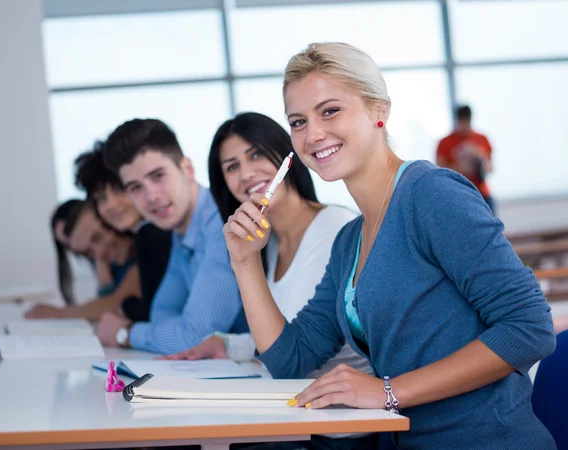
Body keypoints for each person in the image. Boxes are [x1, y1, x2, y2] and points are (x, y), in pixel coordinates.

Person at [222, 43, 556, 449]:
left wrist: (387, 391)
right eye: (298, 121)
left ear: (379, 110)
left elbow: (529, 328)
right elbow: (289, 358)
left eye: (329, 111)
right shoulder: (349, 241)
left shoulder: (430, 195)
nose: (312, 134)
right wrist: (244, 262)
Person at [160, 112, 370, 378]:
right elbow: (283, 336)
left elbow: (302, 346)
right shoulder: (265, 243)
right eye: (232, 167)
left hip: (341, 406)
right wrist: (227, 344)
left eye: (256, 154)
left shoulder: (337, 228)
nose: (247, 173)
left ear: (286, 156)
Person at [98, 118, 247, 353]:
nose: (151, 196)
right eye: (136, 187)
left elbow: (195, 337)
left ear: (187, 169)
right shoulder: (181, 231)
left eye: (158, 176)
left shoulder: (222, 223)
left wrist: (125, 333)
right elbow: (162, 314)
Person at [73, 143, 173, 322]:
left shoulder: (155, 232)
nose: (111, 205)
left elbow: (153, 314)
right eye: (101, 198)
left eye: (119, 190)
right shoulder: (144, 235)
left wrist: (126, 312)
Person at [25, 201, 141, 319]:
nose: (99, 253)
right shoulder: (109, 261)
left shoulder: (145, 248)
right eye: (88, 252)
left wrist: (57, 313)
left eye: (97, 237)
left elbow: (115, 304)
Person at [436, 105, 495, 214]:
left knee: (492, 227)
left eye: (467, 121)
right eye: (462, 121)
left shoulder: (481, 139)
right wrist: (460, 167)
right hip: (457, 193)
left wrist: (480, 159)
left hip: (481, 192)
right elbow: (439, 171)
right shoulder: (445, 142)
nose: (464, 126)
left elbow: (490, 167)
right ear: (457, 120)